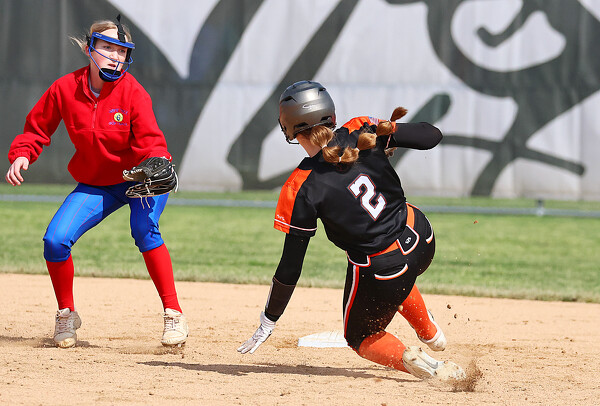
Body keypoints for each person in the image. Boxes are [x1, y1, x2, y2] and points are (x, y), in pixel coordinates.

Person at [238, 80, 465, 381]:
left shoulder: (301, 185)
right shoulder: (360, 128)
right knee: (397, 271)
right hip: (422, 239)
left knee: (359, 336)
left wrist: (269, 319)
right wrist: (389, 131)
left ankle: (428, 365)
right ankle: (430, 332)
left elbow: (291, 266)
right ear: (330, 114)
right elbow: (431, 135)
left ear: (289, 128)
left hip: (385, 270)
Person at [5, 15, 188, 348]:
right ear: (90, 49)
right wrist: (23, 153)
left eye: (122, 51)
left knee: (144, 230)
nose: (116, 57)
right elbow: (37, 127)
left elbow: (151, 141)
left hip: (141, 179)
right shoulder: (65, 88)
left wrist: (156, 163)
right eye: (108, 48)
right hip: (98, 182)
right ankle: (66, 314)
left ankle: (173, 314)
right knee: (55, 240)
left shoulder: (133, 92)